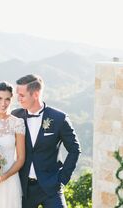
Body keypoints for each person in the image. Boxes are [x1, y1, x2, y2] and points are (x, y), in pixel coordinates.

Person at [12, 74, 81, 208]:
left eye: (22, 95)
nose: (18, 99)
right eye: (17, 94)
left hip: (50, 187)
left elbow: (74, 149)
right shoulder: (15, 116)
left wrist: (63, 178)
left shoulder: (59, 118)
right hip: (23, 189)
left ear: (36, 94)